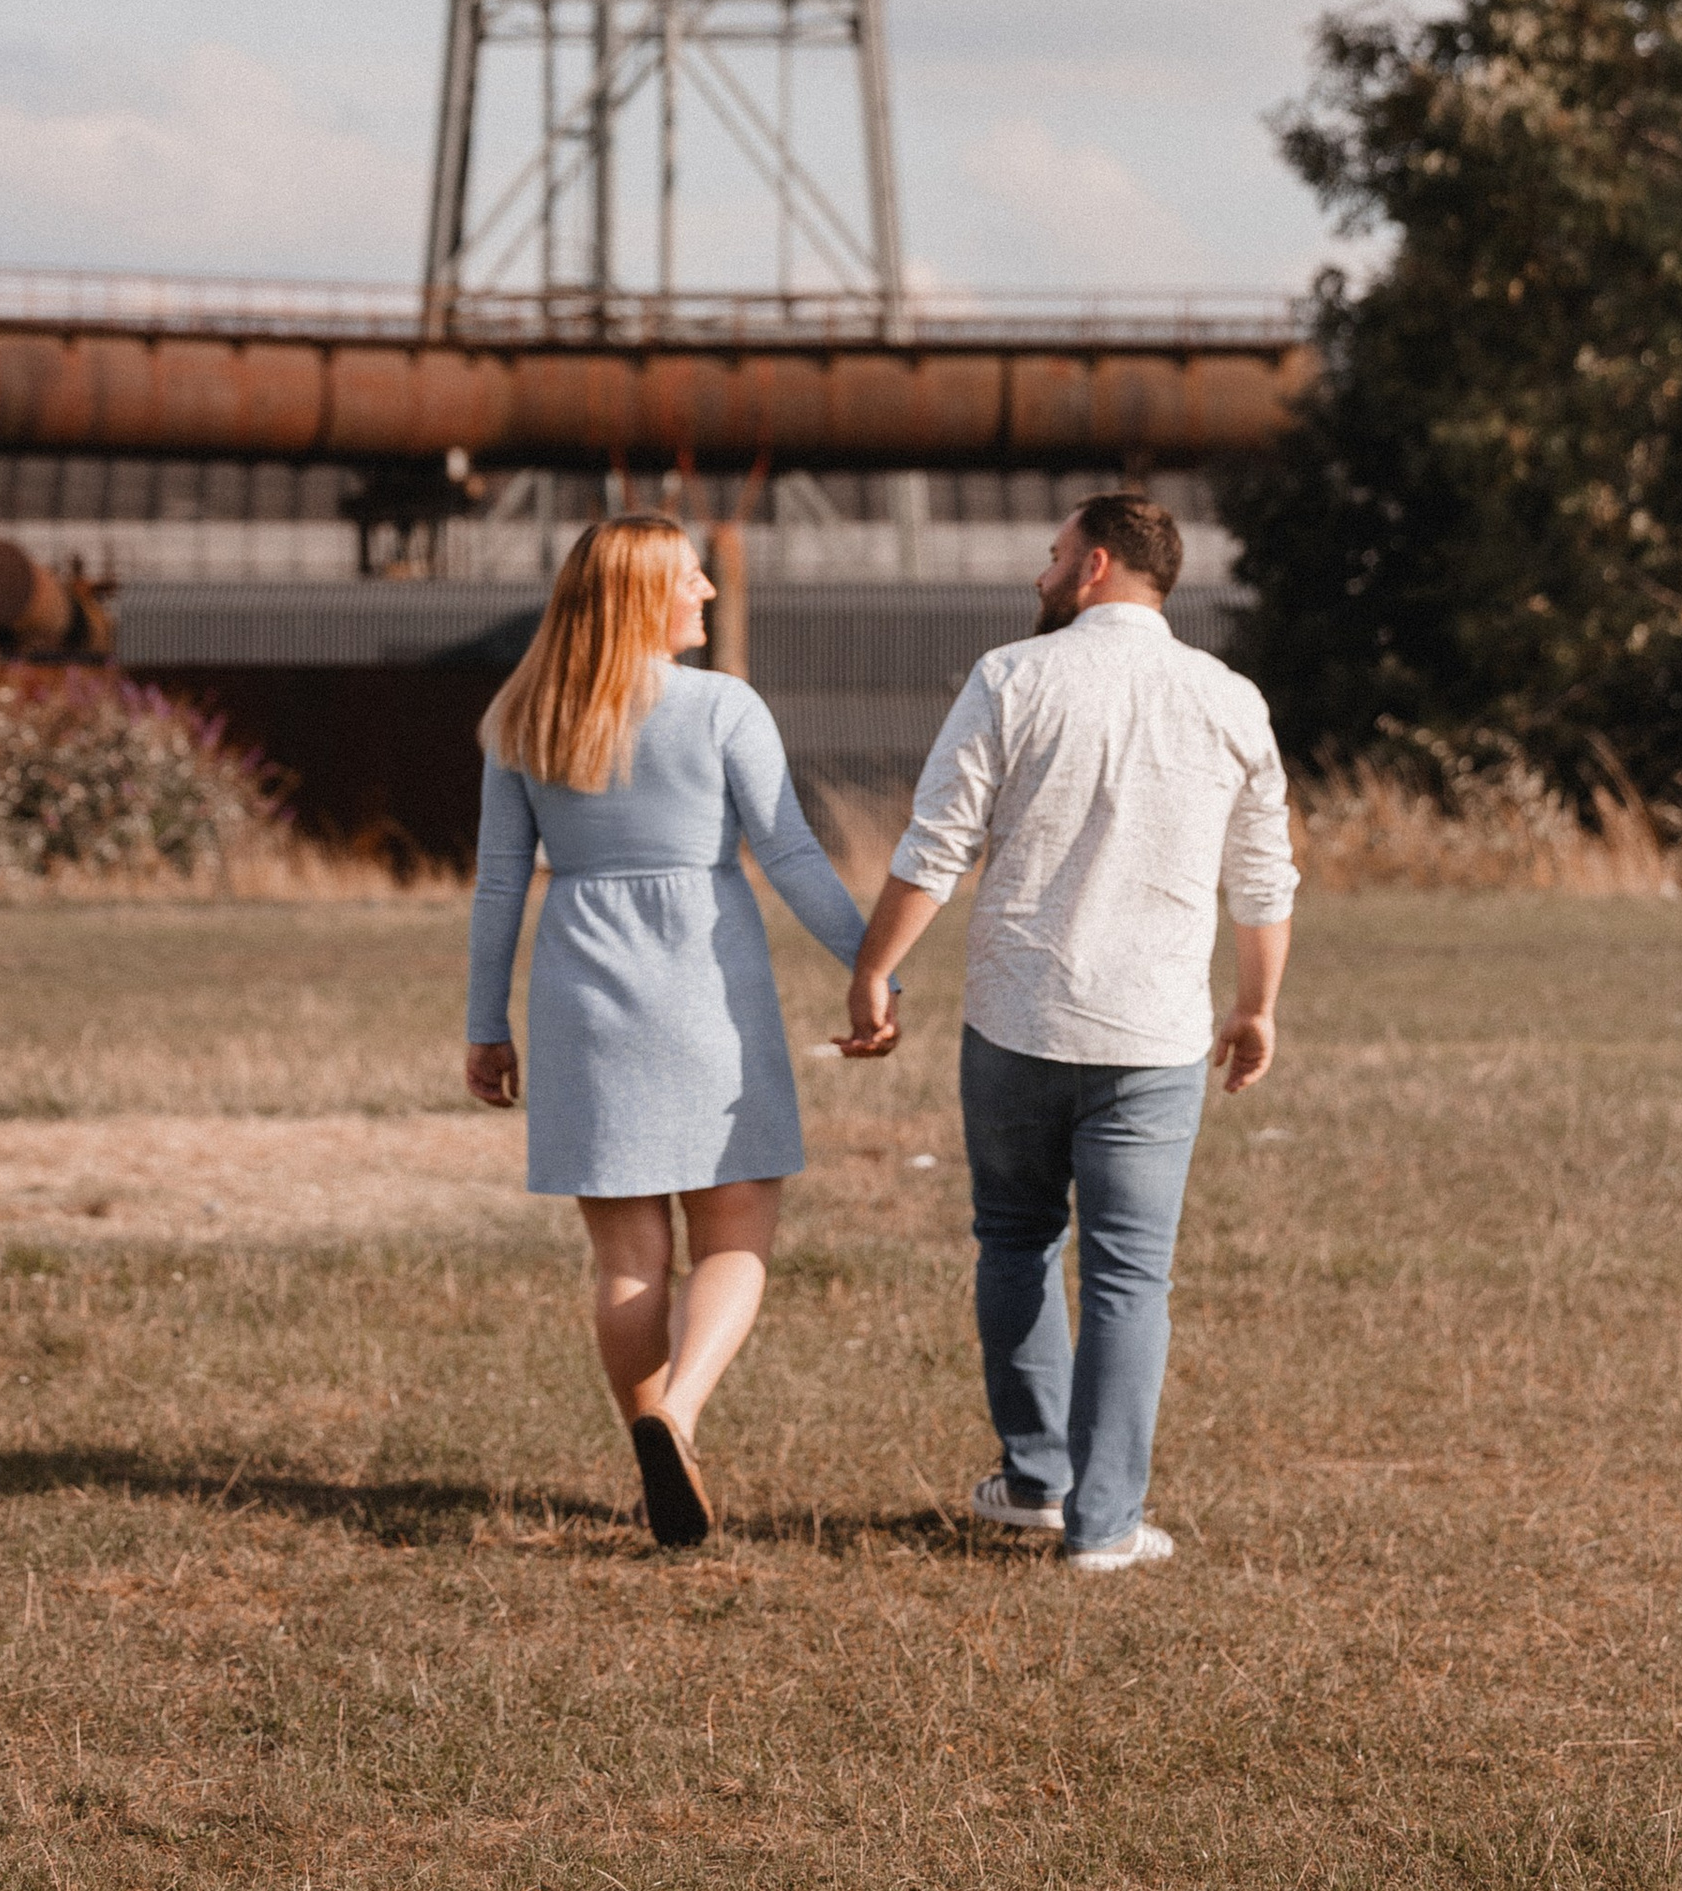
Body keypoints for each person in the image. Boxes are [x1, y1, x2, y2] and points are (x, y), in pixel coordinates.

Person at [840, 492, 1296, 1573]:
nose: (1037, 577)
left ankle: (1036, 1480)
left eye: (1050, 558)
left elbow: (936, 844)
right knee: (1130, 1279)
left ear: (1093, 566)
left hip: (1016, 1018)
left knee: (1015, 1239)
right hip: (1154, 1034)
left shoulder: (1009, 677)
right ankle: (1104, 1527)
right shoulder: (1229, 698)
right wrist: (1256, 1004)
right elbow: (1263, 877)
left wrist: (874, 968)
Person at [465, 510, 874, 1550]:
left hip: (580, 991)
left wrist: (485, 1024)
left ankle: (657, 1458)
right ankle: (677, 1414)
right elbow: (787, 855)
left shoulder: (525, 716)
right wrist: (874, 966)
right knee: (736, 1227)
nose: (704, 592)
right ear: (644, 595)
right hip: (705, 985)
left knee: (627, 1257)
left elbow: (501, 883)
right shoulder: (721, 706)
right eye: (689, 579)